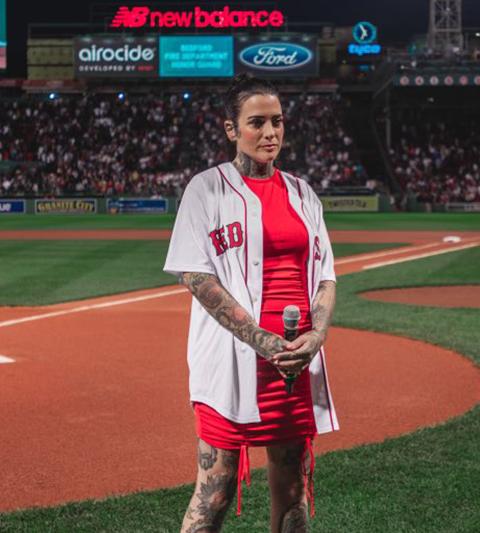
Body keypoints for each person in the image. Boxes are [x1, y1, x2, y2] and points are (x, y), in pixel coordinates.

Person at [164, 74, 339, 533]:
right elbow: (195, 275)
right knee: (216, 490)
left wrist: (314, 337)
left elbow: (325, 275)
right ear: (230, 129)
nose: (269, 133)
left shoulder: (303, 193)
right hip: (233, 362)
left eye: (277, 122)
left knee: (292, 489)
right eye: (256, 122)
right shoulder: (205, 189)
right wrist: (263, 341)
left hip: (295, 362)